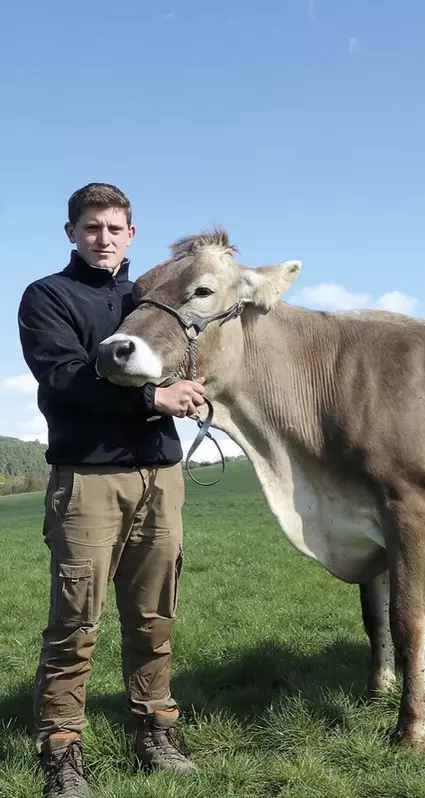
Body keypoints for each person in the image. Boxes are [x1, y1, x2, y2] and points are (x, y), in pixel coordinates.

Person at [17, 183, 206, 798]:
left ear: (132, 234)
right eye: (92, 228)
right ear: (71, 231)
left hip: (161, 476)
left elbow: (192, 352)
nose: (104, 239)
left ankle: (156, 727)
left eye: (115, 229)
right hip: (88, 480)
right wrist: (154, 398)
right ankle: (62, 748)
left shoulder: (148, 297)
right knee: (76, 621)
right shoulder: (48, 297)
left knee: (155, 617)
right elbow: (66, 378)